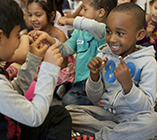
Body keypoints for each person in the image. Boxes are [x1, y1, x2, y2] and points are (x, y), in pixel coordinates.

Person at [0, 0, 72, 140]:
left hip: (8, 128)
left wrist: (33, 60)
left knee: (58, 114)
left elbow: (14, 91)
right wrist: (49, 69)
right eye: (17, 36)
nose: (20, 41)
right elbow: (35, 116)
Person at [66, 3, 157, 140]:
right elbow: (94, 98)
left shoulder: (148, 62)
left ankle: (99, 137)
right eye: (108, 31)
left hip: (133, 118)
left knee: (152, 122)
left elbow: (146, 107)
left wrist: (128, 86)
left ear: (139, 35)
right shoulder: (104, 55)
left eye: (120, 33)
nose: (112, 39)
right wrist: (94, 77)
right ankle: (119, 135)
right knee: (68, 112)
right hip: (105, 114)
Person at [35, 0, 117, 106]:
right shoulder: (79, 32)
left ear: (101, 13)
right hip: (80, 83)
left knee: (103, 101)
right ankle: (92, 106)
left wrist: (69, 20)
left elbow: (92, 26)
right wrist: (49, 38)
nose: (81, 12)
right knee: (68, 101)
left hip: (99, 83)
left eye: (85, 9)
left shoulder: (104, 30)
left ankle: (94, 105)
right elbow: (65, 50)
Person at [27, 0, 76, 100]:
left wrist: (41, 57)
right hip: (40, 66)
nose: (33, 19)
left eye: (38, 15)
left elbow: (62, 64)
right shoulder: (32, 34)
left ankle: (60, 87)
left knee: (67, 73)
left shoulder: (58, 34)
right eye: (30, 15)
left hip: (57, 67)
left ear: (52, 15)